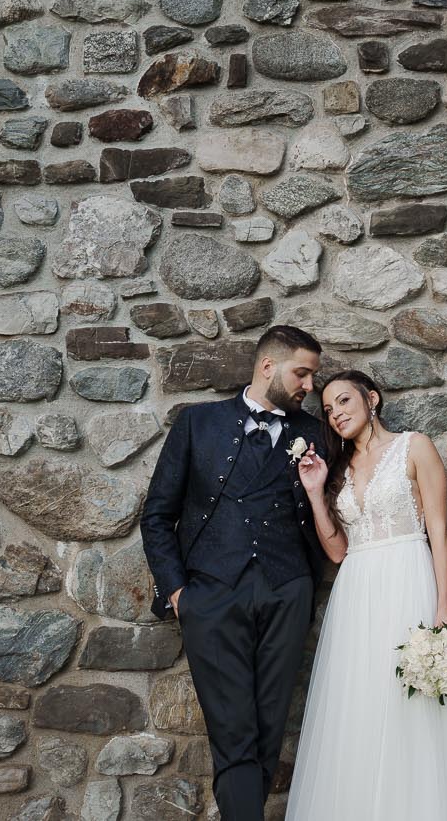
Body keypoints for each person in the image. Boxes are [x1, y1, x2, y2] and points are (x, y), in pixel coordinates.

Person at [285, 369, 447, 821]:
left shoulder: (414, 446)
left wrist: (445, 605)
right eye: (328, 409)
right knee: (360, 704)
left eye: (344, 401)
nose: (336, 414)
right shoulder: (338, 468)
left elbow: (439, 530)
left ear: (372, 399)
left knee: (413, 705)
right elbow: (338, 551)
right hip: (356, 591)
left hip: (406, 578)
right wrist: (315, 491)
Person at [140, 324, 327, 821]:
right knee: (233, 729)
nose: (310, 386)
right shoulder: (197, 423)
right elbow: (157, 514)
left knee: (268, 728)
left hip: (287, 592)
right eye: (302, 373)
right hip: (211, 594)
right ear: (268, 366)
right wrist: (178, 592)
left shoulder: (313, 433)